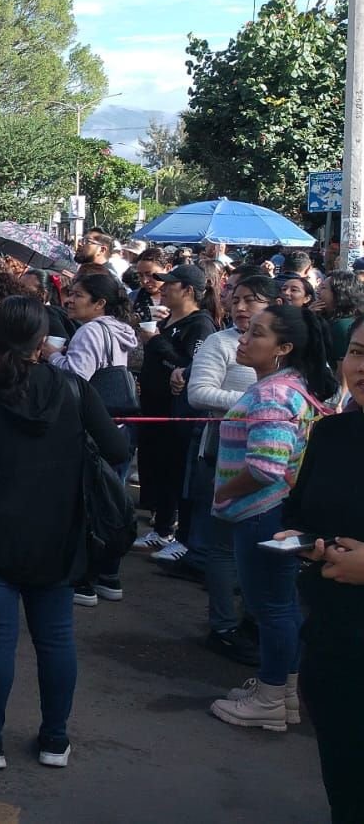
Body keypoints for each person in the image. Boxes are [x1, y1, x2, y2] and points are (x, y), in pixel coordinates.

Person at [0, 296, 129, 770]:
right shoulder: (74, 390)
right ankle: (55, 740)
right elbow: (118, 449)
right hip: (58, 536)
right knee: (56, 641)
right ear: (43, 341)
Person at [208, 305, 338, 733]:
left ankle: (269, 698)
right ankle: (281, 691)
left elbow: (266, 467)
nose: (244, 338)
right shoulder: (288, 386)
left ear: (283, 348)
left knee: (271, 608)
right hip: (273, 514)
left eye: (258, 333)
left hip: (263, 514)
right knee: (278, 606)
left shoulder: (273, 394)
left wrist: (225, 490)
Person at [284, 315, 364, 822]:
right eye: (358, 352)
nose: (363, 367)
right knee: (346, 782)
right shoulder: (331, 433)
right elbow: (300, 515)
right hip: (335, 642)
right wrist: (303, 543)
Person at [181, 273, 273, 665]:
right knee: (223, 547)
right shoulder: (220, 343)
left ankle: (254, 620)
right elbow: (199, 393)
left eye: (251, 299)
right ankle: (223, 627)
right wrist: (261, 401)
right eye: (235, 299)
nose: (240, 307)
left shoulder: (284, 344)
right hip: (222, 453)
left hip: (276, 457)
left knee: (264, 544)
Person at [48, 271, 138, 605]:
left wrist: (51, 354)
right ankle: (109, 575)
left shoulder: (90, 331)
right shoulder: (118, 330)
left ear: (100, 303)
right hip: (116, 426)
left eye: (78, 295)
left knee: (89, 502)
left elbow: (77, 377)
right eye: (70, 293)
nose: (69, 300)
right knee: (112, 500)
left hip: (91, 428)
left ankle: (84, 580)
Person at [133, 265, 219, 554]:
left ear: (188, 291)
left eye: (171, 284)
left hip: (176, 412)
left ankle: (171, 530)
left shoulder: (200, 324)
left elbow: (190, 366)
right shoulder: (168, 318)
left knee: (174, 469)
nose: (164, 288)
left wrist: (156, 341)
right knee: (157, 466)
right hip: (153, 407)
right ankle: (161, 525)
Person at [318, 270, 362, 368]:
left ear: (338, 293)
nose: (318, 290)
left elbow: (341, 369)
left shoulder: (341, 326)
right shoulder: (330, 319)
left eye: (323, 288)